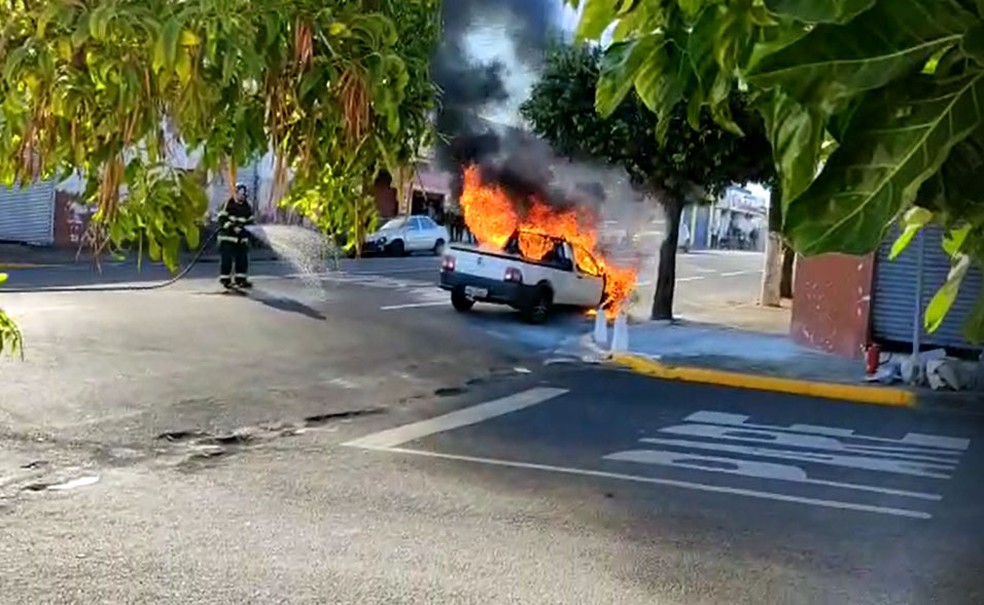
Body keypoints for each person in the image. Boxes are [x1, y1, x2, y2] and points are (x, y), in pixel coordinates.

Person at [217, 184, 255, 289]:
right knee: (227, 260)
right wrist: (232, 227)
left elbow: (250, 223)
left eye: (243, 194)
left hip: (241, 239)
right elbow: (221, 219)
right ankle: (225, 280)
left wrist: (244, 231)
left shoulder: (247, 207)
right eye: (239, 193)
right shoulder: (228, 204)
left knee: (242, 260)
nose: (241, 196)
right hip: (227, 238)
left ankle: (241, 280)